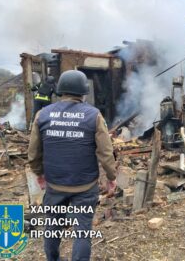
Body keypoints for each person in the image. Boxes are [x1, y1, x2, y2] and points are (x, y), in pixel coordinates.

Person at [28, 70, 117, 261]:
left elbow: (34, 152)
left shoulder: (42, 114)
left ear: (60, 90)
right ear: (83, 93)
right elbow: (105, 152)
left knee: (52, 228)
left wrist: (39, 173)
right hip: (85, 187)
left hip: (55, 185)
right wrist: (111, 177)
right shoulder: (94, 115)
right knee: (82, 232)